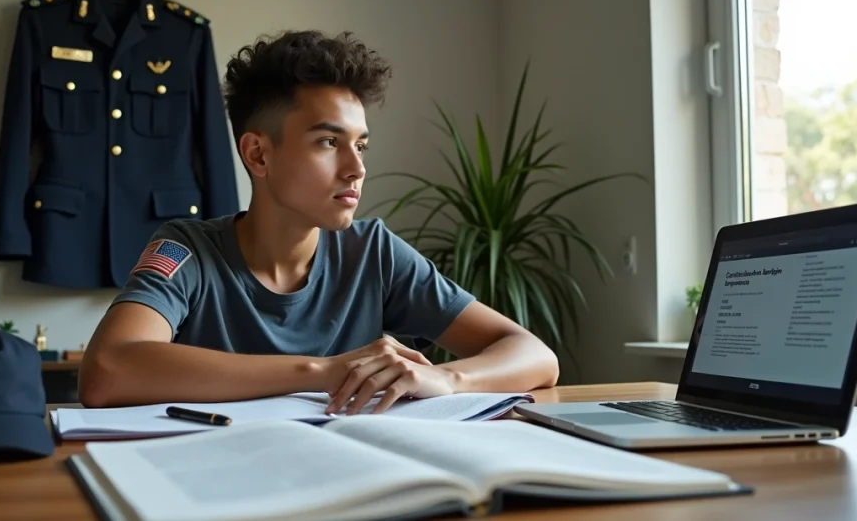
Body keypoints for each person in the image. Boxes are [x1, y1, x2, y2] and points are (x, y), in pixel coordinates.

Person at [78, 29, 560, 413]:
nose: (357, 167)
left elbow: (536, 357)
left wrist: (449, 378)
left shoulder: (375, 252)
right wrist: (323, 371)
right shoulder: (187, 250)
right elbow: (107, 371)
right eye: (329, 142)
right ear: (258, 154)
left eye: (361, 144)